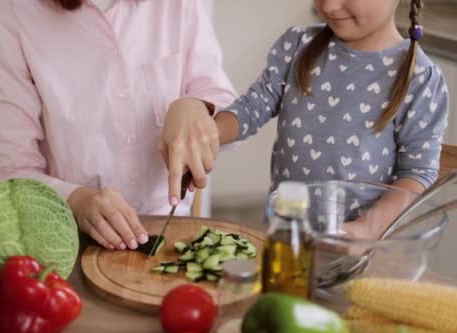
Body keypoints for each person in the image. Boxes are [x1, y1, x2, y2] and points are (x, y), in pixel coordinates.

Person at [161, 0, 449, 238]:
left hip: (361, 252)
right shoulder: (297, 45)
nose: (329, 5)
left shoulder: (422, 80)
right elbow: (251, 109)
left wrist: (366, 229)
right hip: (285, 236)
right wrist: (204, 132)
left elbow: (416, 174)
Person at [0, 0, 236, 250]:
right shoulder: (8, 19)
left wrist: (198, 107)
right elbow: (10, 170)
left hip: (172, 234)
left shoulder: (178, 5)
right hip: (67, 238)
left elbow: (228, 108)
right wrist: (75, 200)